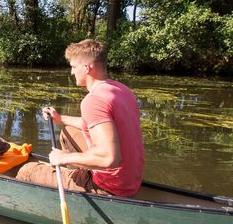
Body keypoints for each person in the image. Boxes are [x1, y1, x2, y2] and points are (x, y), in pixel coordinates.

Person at [17, 39, 144, 197]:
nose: (71, 72)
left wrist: (64, 158)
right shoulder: (121, 90)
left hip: (108, 186)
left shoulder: (93, 100)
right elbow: (97, 126)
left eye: (73, 67)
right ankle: (70, 179)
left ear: (87, 68)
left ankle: (77, 187)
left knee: (27, 170)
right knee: (68, 133)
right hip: (131, 180)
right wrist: (60, 118)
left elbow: (110, 158)